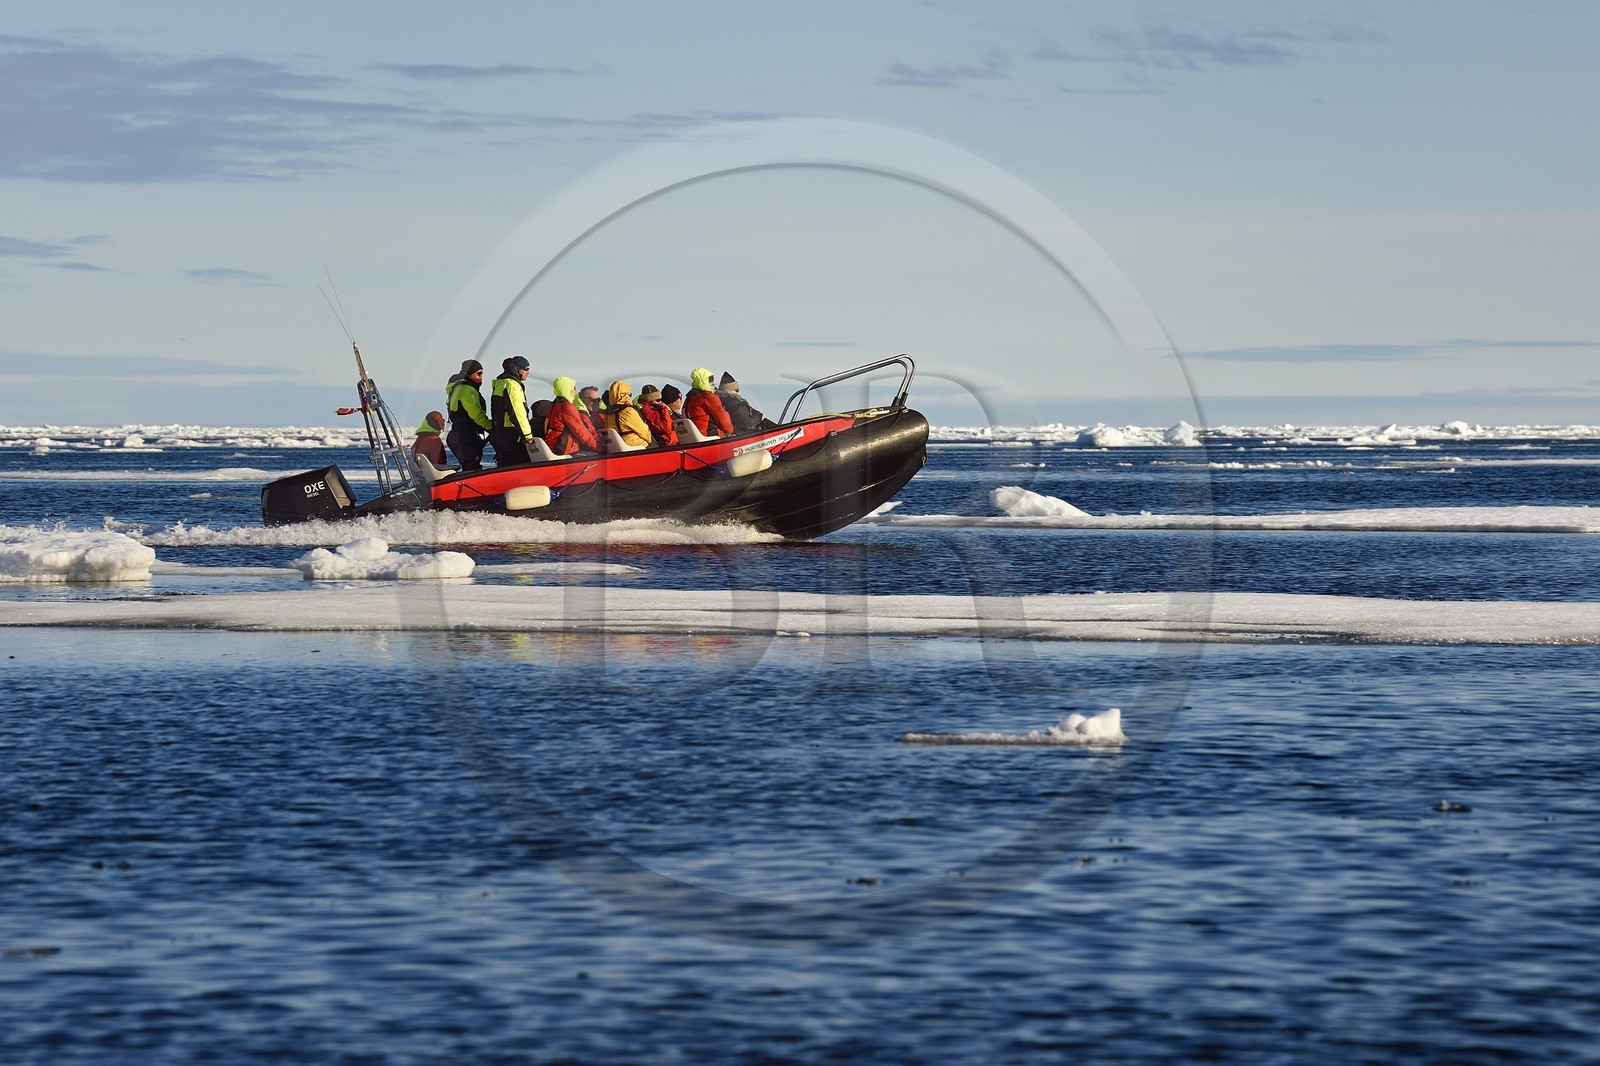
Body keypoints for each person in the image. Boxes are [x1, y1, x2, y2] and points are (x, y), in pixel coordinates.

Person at [489, 355, 536, 466]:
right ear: (518, 369)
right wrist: (527, 435)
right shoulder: (512, 385)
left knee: (504, 464)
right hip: (511, 433)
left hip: (499, 432)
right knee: (520, 463)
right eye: (526, 369)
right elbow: (517, 411)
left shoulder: (500, 383)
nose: (528, 372)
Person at [445, 359, 491, 471]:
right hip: (464, 437)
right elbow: (476, 414)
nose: (482, 377)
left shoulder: (457, 389)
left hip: (458, 436)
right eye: (478, 373)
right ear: (469, 374)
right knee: (472, 468)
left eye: (482, 373)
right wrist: (492, 427)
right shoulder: (466, 390)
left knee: (470, 467)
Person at [544, 375, 601, 455]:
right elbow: (580, 431)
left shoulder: (554, 405)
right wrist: (599, 447)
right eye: (574, 388)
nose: (575, 392)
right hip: (563, 449)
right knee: (595, 457)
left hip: (552, 446)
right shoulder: (567, 407)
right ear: (568, 389)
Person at [683, 366, 734, 437]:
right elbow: (722, 418)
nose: (712, 382)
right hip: (708, 435)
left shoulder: (689, 398)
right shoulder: (708, 396)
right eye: (710, 380)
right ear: (704, 381)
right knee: (732, 436)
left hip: (691, 436)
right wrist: (730, 430)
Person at [603, 380, 653, 450]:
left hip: (616, 446)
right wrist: (651, 441)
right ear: (624, 395)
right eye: (629, 395)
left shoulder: (608, 413)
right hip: (634, 444)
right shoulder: (628, 411)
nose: (630, 397)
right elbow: (643, 430)